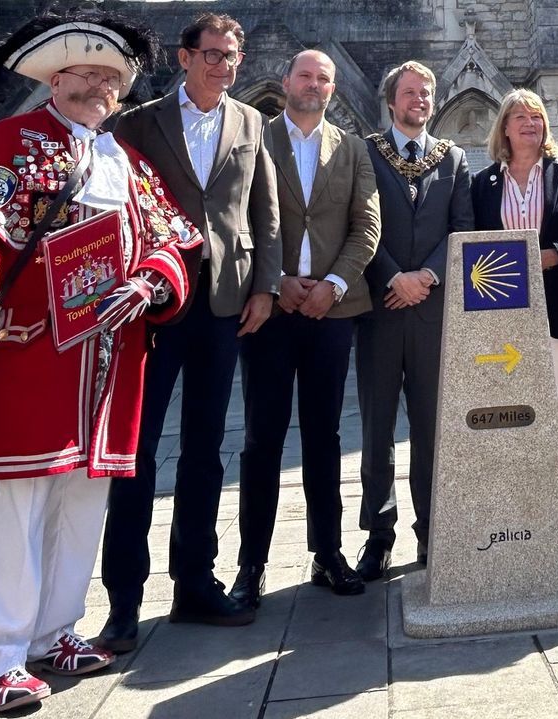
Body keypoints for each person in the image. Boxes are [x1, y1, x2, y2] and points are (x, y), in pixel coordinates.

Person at [0, 13, 201, 713]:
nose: (99, 86)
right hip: (31, 355)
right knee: (20, 505)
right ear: (56, 78)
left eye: (111, 78)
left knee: (81, 503)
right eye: (86, 74)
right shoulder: (6, 144)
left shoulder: (127, 163)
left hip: (108, 362)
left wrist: (150, 280)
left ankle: (54, 630)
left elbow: (175, 240)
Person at [100, 11, 282, 650]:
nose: (223, 67)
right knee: (136, 452)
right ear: (183, 58)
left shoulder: (251, 121)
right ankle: (122, 601)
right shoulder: (137, 123)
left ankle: (195, 584)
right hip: (155, 306)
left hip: (224, 303)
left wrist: (265, 285)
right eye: (212, 55)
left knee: (206, 448)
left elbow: (266, 211)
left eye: (232, 57)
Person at [228, 50, 381, 608]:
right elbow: (237, 219)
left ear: (332, 89)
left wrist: (333, 286)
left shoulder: (354, 148)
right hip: (270, 311)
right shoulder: (251, 139)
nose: (313, 85)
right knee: (262, 440)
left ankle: (328, 553)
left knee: (325, 438)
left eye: (323, 79)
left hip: (331, 311)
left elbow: (367, 224)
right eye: (305, 76)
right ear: (286, 81)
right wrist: (276, 282)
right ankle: (251, 566)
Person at [355, 61, 473, 579]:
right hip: (381, 311)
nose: (419, 99)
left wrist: (425, 276)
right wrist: (391, 277)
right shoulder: (364, 152)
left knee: (431, 430)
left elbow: (462, 229)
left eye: (426, 92)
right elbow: (356, 222)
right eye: (410, 92)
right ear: (391, 100)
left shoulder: (454, 159)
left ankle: (433, 531)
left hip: (432, 312)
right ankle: (379, 536)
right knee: (377, 429)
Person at [470, 89, 558, 509]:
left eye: (537, 117)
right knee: (513, 408)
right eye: (520, 117)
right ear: (504, 127)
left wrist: (556, 252)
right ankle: (521, 497)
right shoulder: (483, 184)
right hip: (506, 311)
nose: (529, 123)